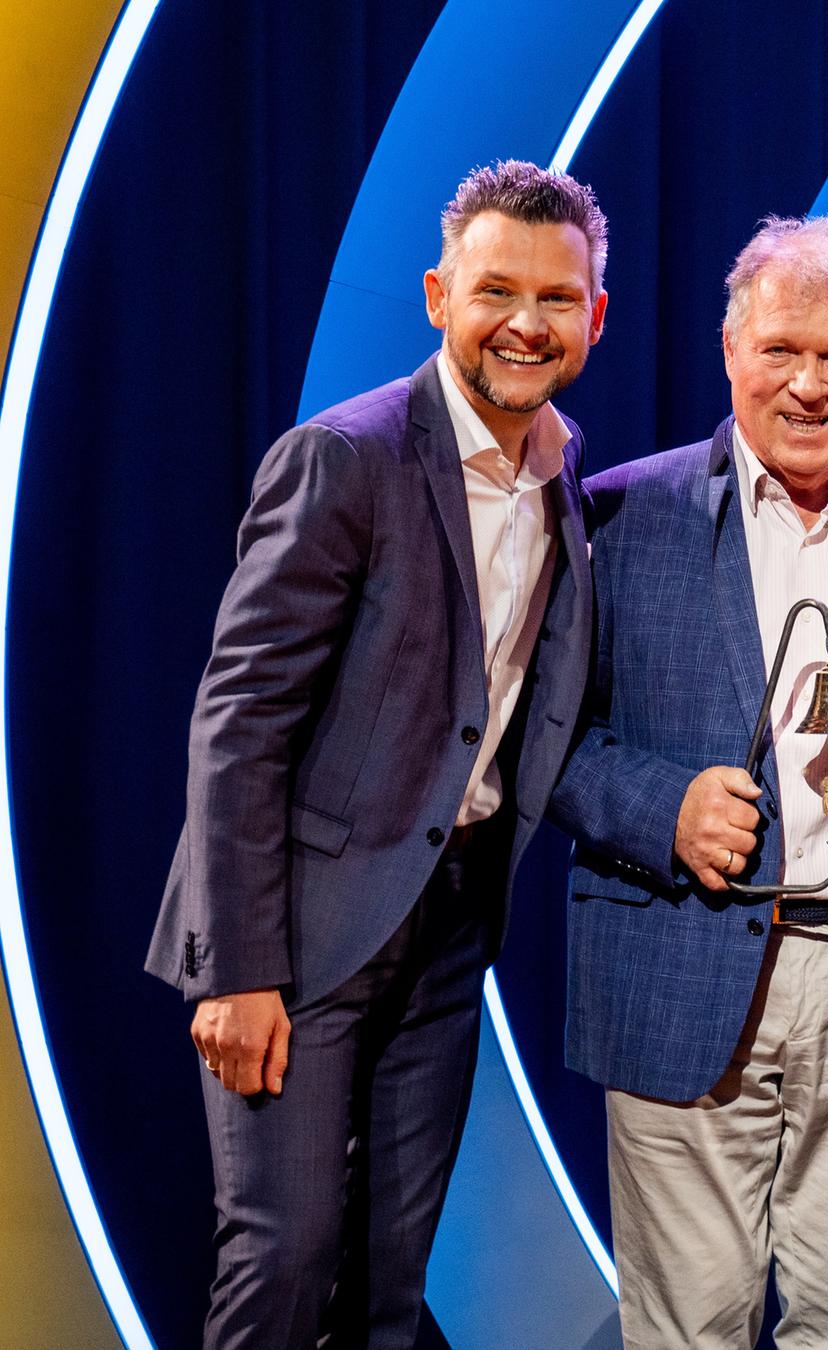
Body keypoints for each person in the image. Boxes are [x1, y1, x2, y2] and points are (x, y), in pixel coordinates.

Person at [147, 161, 607, 1348]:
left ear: (595, 316)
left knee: (391, 1282)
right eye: (495, 290)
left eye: (557, 299)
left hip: (449, 924)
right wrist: (236, 966)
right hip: (298, 934)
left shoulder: (562, 480)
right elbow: (239, 722)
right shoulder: (345, 459)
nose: (526, 323)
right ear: (436, 296)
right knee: (285, 1258)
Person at [545, 215, 828, 1350]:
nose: (808, 385)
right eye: (782, 351)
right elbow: (547, 741)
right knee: (688, 1326)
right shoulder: (618, 515)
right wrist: (663, 811)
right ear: (730, 352)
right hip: (681, 968)